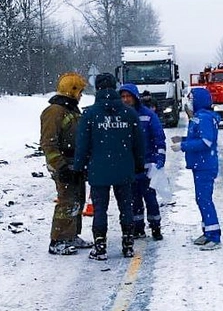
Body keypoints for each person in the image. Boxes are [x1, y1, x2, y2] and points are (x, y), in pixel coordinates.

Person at [73, 73, 145, 260]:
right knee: (126, 208)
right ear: (115, 87)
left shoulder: (89, 114)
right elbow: (138, 144)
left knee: (100, 209)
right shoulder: (129, 113)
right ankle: (128, 244)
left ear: (97, 88)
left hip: (99, 169)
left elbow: (82, 145)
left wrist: (79, 166)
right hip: (124, 168)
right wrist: (138, 165)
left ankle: (100, 246)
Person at [40, 72, 92, 255]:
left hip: (75, 163)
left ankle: (71, 235)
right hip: (63, 163)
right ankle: (57, 240)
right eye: (80, 91)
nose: (81, 95)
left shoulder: (71, 109)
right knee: (66, 202)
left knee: (77, 199)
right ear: (72, 90)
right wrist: (60, 166)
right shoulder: (54, 111)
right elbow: (48, 143)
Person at [170, 86, 222, 250]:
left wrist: (183, 146)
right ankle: (208, 232)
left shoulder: (204, 118)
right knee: (201, 199)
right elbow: (198, 136)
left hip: (205, 165)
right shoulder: (200, 117)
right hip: (200, 165)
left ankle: (214, 236)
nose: (189, 102)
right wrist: (183, 138)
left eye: (191, 100)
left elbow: (206, 142)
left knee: (205, 200)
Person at [119, 83, 166, 241]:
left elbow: (159, 137)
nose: (126, 100)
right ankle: (138, 228)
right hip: (129, 167)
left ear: (135, 97)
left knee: (150, 198)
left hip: (147, 166)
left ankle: (155, 227)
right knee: (134, 199)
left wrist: (159, 158)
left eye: (128, 96)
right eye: (123, 97)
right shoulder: (119, 116)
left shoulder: (148, 115)